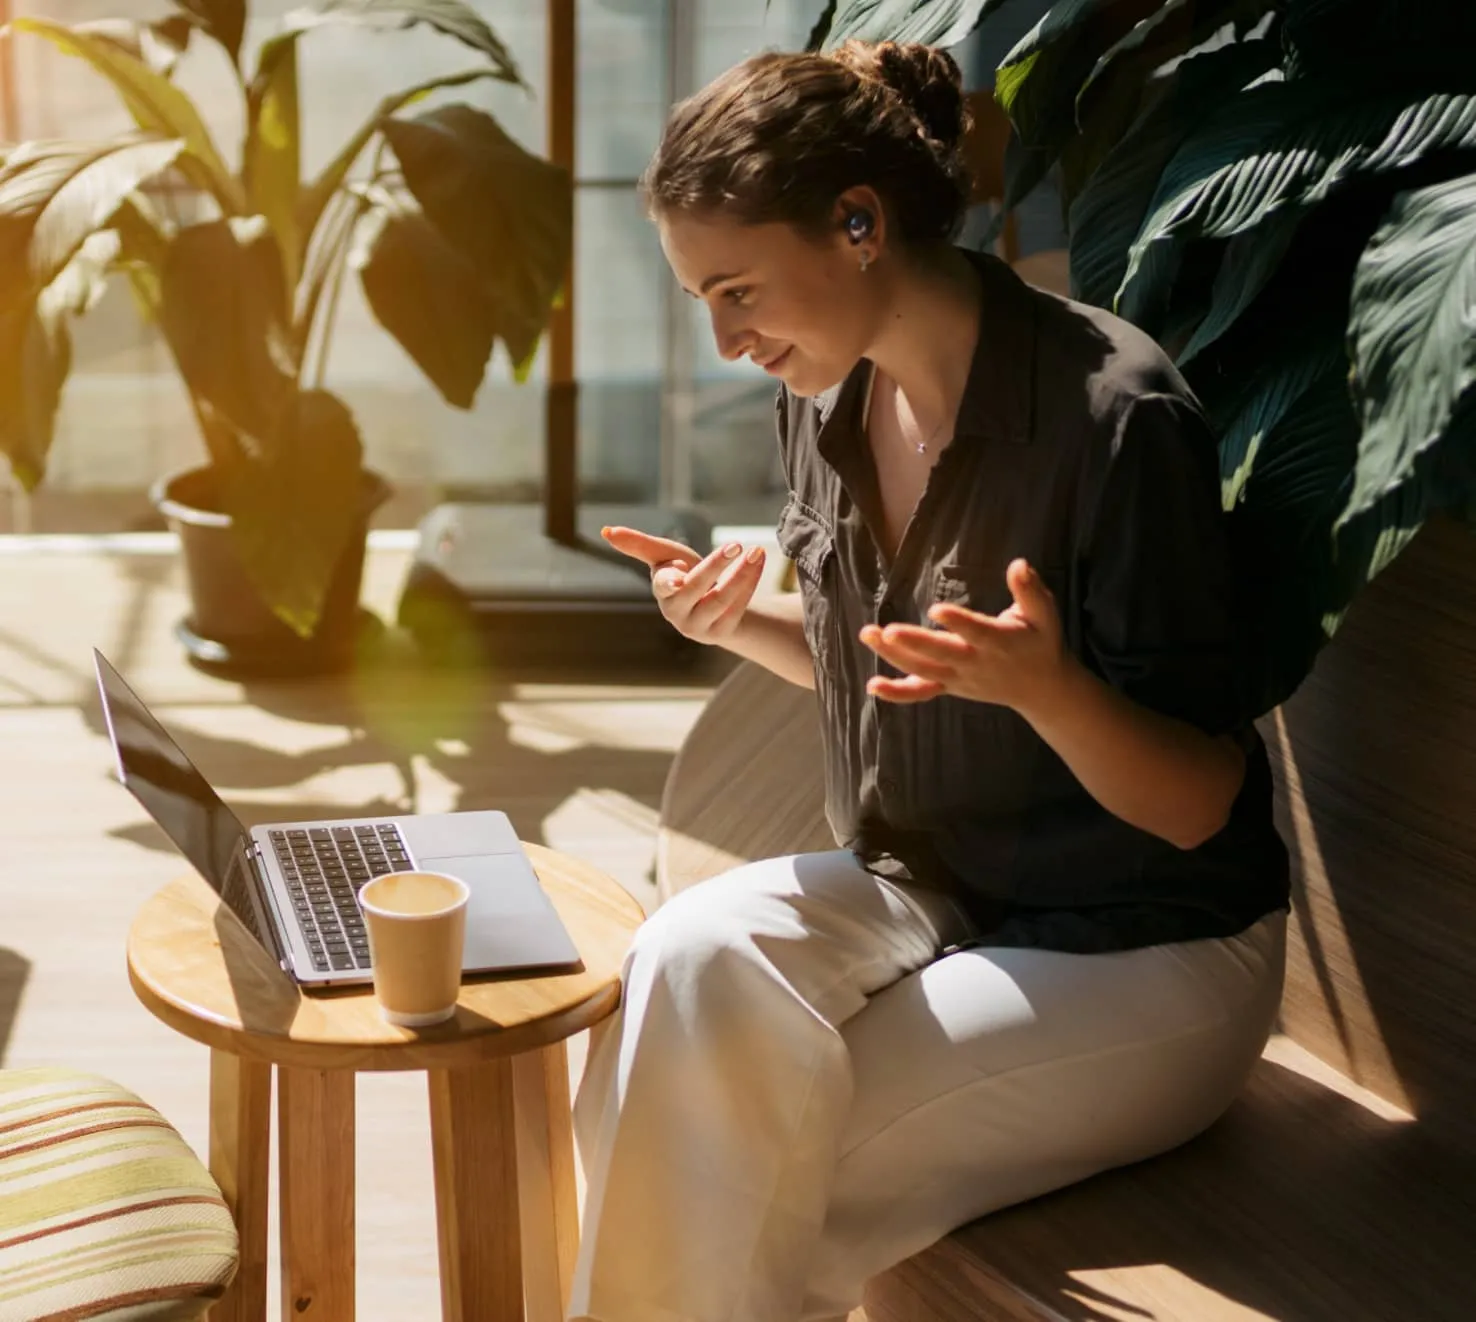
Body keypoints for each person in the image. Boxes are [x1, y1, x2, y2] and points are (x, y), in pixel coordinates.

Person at [575, 38, 1291, 1322]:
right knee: (674, 968)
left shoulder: (1115, 419)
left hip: (1149, 946)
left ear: (859, 224)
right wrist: (737, 623)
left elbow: (1198, 810)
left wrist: (1052, 689)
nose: (729, 340)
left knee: (736, 1163)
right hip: (935, 886)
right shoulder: (827, 392)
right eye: (702, 303)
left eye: (738, 290)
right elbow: (898, 675)